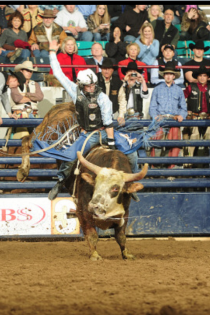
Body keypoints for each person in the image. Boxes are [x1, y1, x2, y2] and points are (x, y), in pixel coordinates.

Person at [47, 40, 140, 201]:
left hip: (104, 131)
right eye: (88, 86)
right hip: (86, 134)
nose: (91, 88)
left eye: (92, 85)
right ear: (82, 86)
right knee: (69, 157)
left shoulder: (103, 98)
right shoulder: (76, 92)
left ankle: (131, 185)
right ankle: (60, 181)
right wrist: (52, 53)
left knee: (132, 152)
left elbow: (108, 121)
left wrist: (111, 141)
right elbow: (59, 75)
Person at [149, 61, 187, 169]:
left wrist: (181, 115)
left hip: (174, 120)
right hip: (160, 119)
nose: (168, 76)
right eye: (166, 74)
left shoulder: (179, 90)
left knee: (174, 145)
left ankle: (172, 170)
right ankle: (155, 169)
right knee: (156, 144)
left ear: (174, 76)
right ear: (164, 75)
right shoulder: (157, 89)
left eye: (170, 74)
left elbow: (183, 108)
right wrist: (155, 116)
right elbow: (152, 107)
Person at [183, 65, 210, 158]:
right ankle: (189, 162)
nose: (202, 78)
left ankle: (206, 161)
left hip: (208, 118)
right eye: (200, 76)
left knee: (209, 135)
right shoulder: (191, 87)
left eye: (204, 76)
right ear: (197, 77)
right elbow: (181, 100)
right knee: (194, 136)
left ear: (208, 77)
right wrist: (186, 112)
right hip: (194, 117)